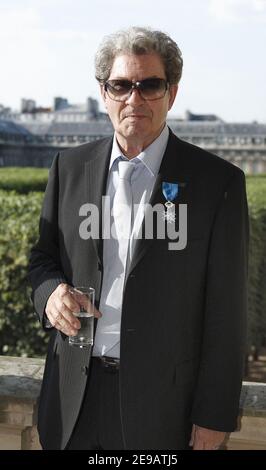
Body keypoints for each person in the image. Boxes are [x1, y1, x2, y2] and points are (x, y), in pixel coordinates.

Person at [28, 26, 249, 451]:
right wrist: (50, 294)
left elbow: (227, 313)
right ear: (104, 92)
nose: (135, 99)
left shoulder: (218, 183)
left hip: (167, 409)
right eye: (121, 85)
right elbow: (42, 259)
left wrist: (214, 415)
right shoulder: (68, 167)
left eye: (150, 85)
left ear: (172, 93)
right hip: (71, 401)